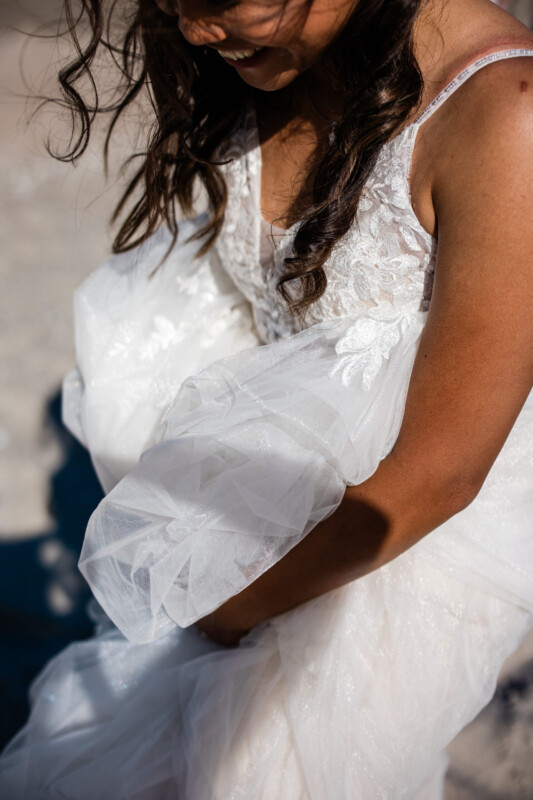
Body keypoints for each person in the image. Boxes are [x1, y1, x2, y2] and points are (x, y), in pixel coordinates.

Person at [1, 0, 533, 797]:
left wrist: (223, 613)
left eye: (221, 0)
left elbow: (438, 476)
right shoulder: (282, 52)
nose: (191, 31)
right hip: (255, 528)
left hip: (388, 560)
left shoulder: (505, 117)